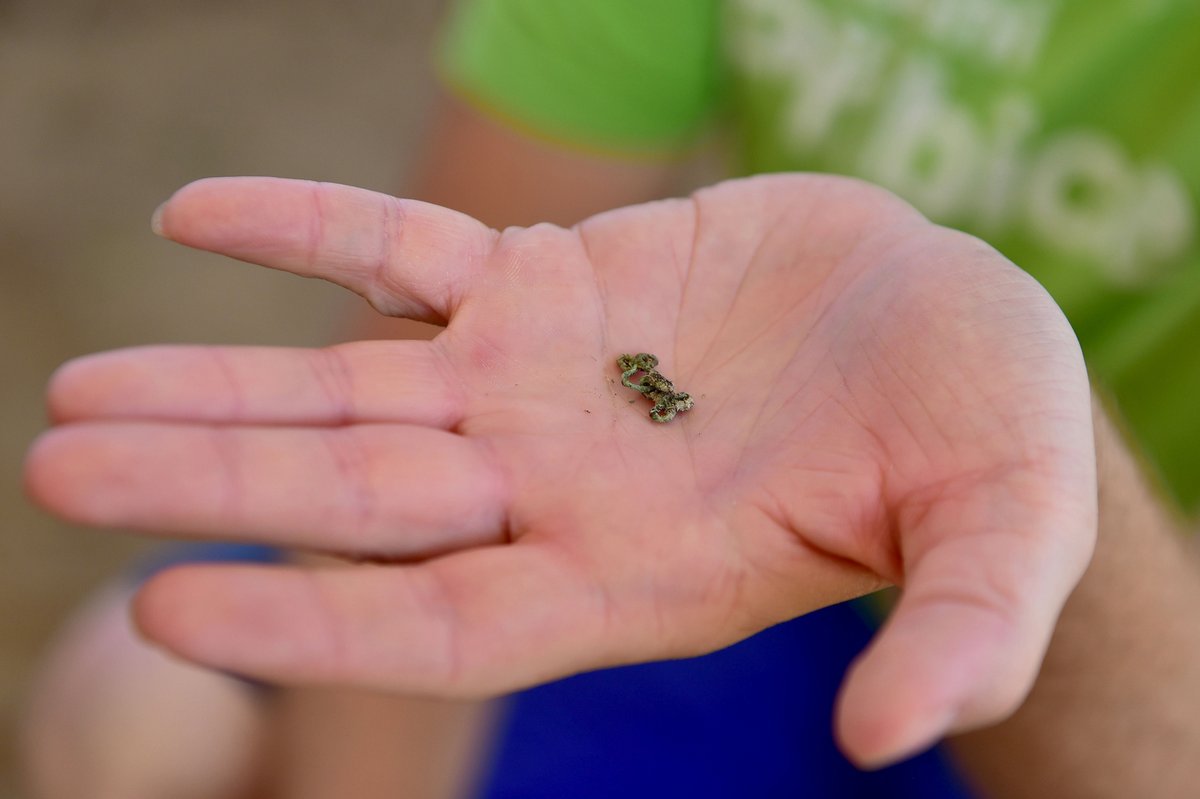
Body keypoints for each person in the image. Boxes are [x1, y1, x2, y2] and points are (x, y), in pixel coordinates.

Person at [23, 1, 1200, 797]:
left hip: (1110, 662)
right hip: (714, 565)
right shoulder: (642, 374)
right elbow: (448, 315)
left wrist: (1035, 493)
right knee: (140, 703)